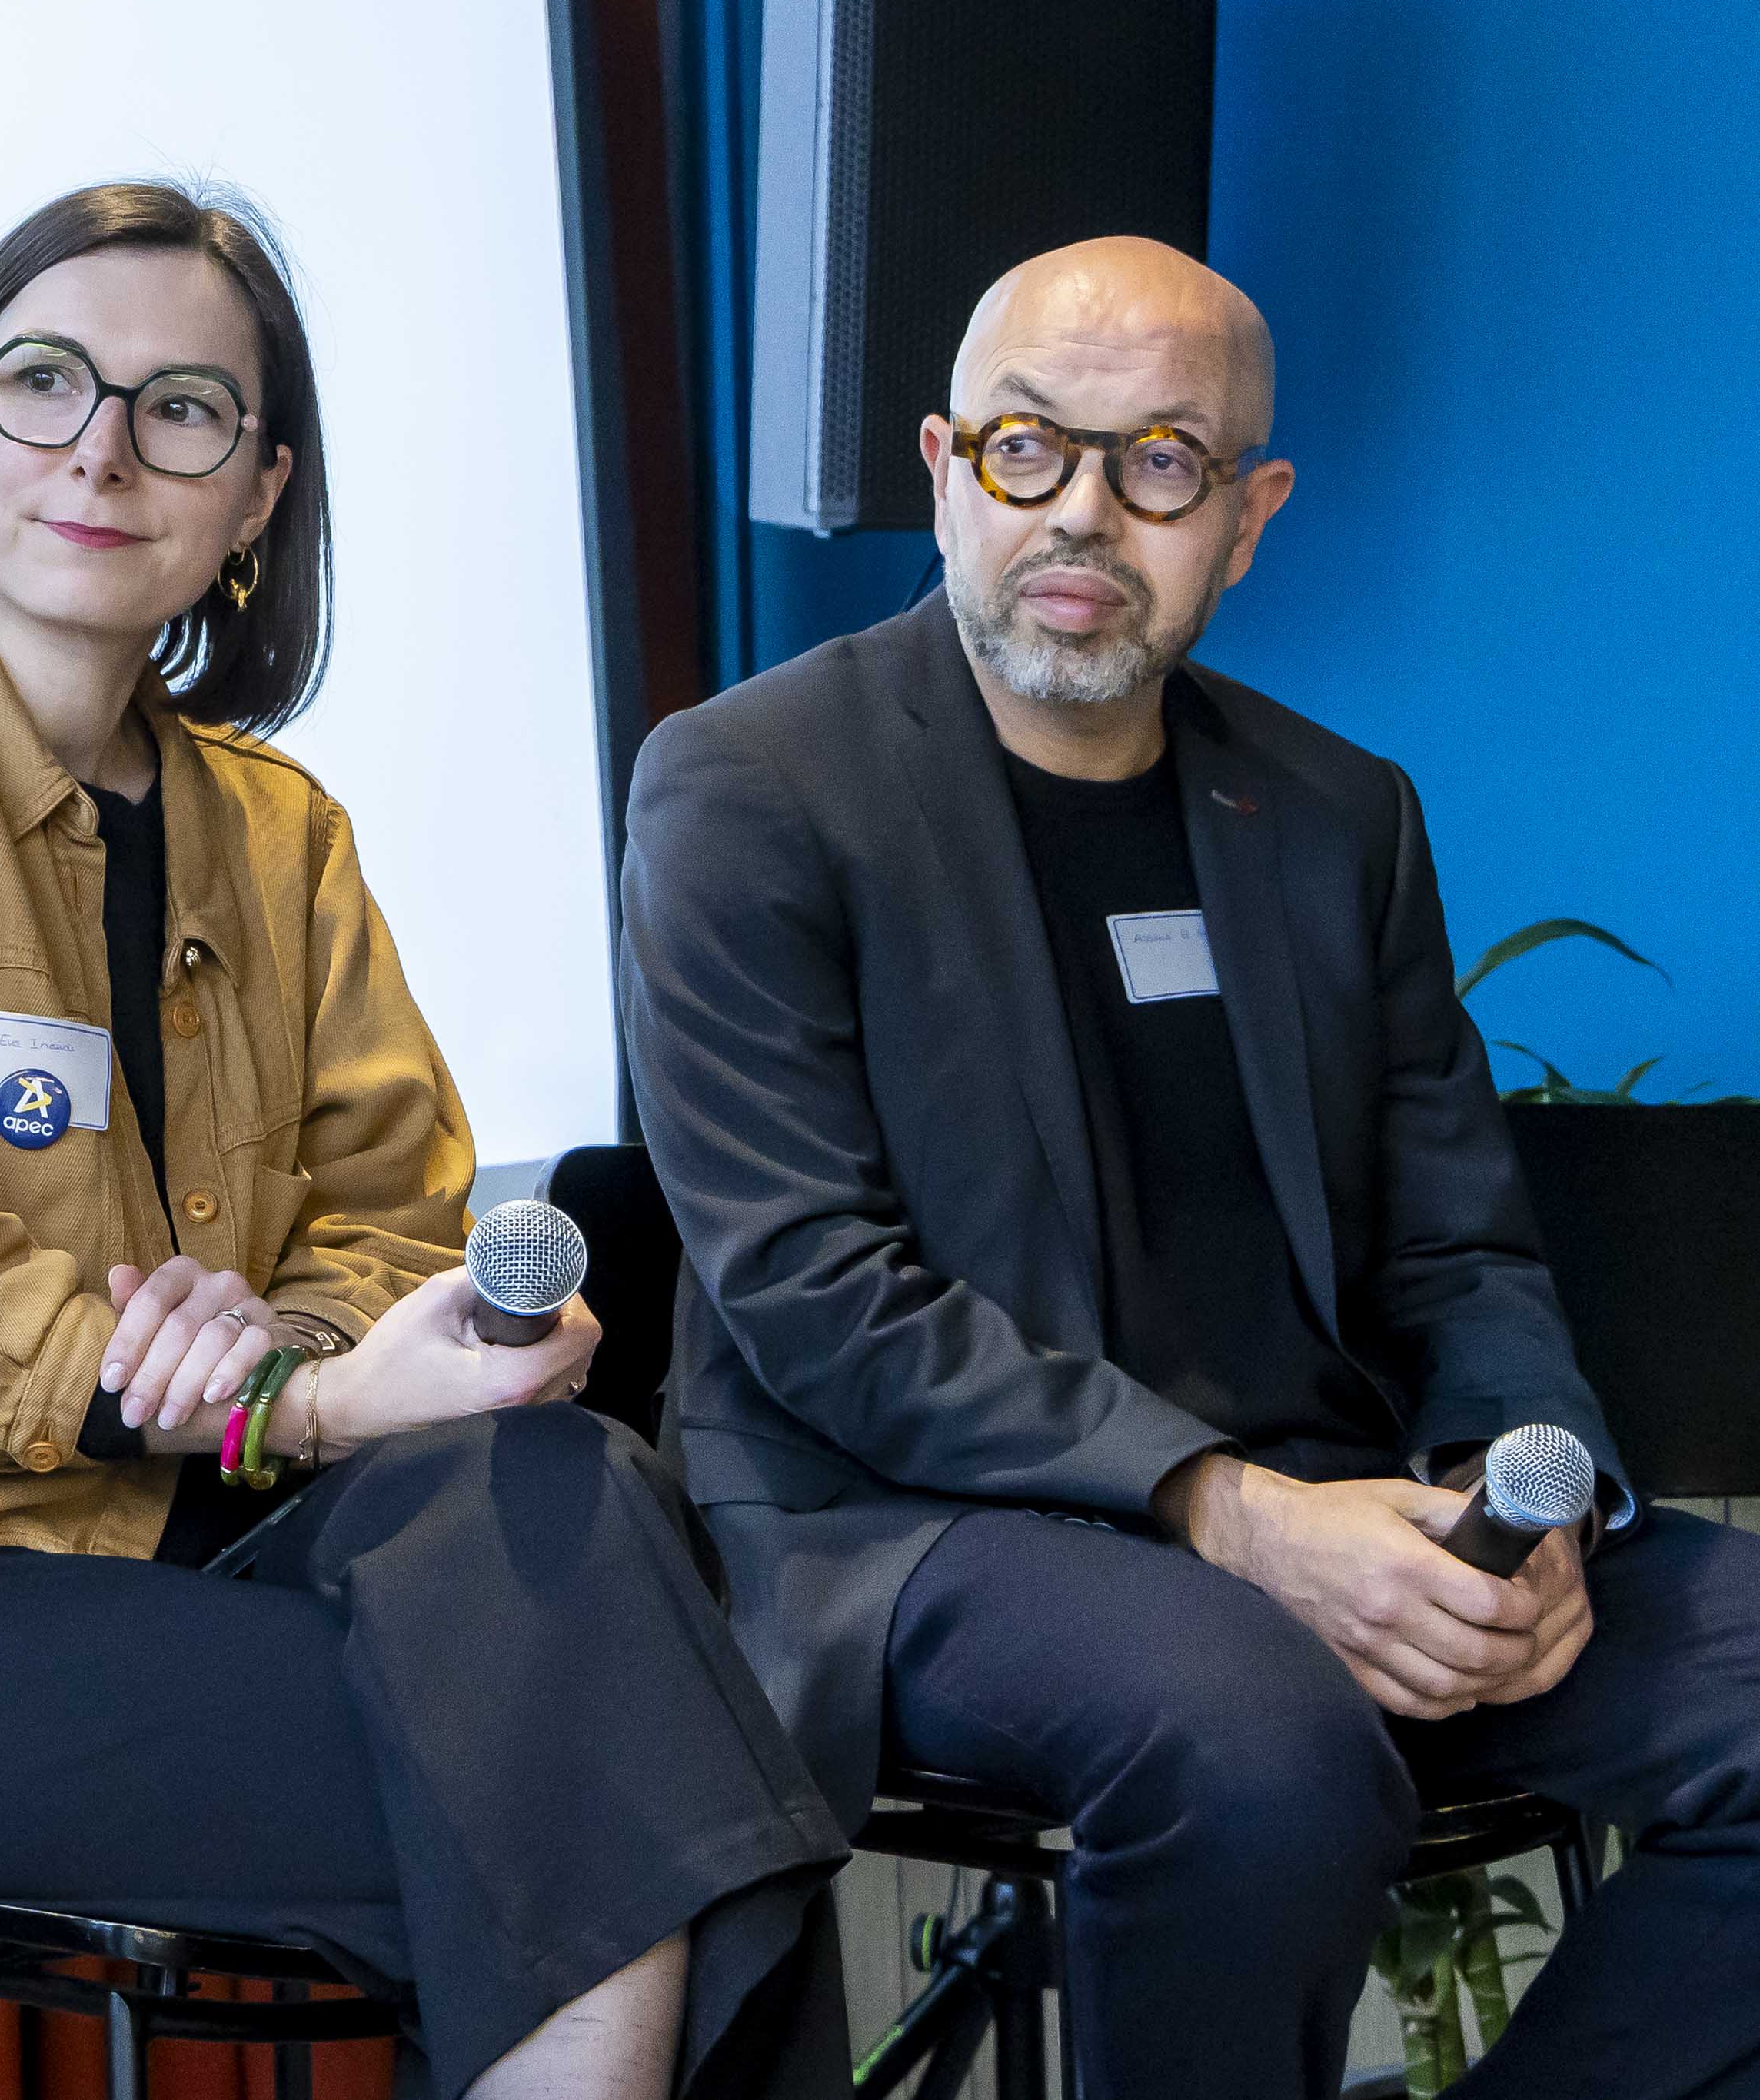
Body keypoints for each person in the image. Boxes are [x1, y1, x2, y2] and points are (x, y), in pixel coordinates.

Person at [0, 182, 847, 2100]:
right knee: (640, 1817)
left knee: (571, 1492)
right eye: (44, 383)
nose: (101, 448)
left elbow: (385, 1212)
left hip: (260, 1554)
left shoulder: (279, 832)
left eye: (179, 407)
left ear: (257, 493)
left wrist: (320, 1360)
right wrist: (242, 1397)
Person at [620, 237, 1760, 2096]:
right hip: (908, 1524)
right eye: (1022, 449)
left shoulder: (1333, 810)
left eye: (1156, 461)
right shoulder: (750, 787)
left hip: (1336, 1510)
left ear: (1242, 513)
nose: (1078, 509)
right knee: (1261, 1737)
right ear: (937, 464)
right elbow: (814, 1293)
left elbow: (1457, 1249)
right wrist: (1223, 1510)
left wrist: (1515, 1505)